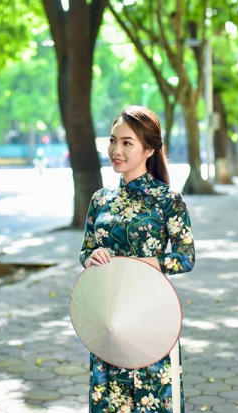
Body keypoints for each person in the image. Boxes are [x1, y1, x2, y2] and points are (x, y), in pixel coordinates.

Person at [79, 105, 195, 413]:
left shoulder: (168, 200)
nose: (116, 150)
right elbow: (85, 250)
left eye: (127, 143)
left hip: (151, 316)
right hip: (107, 320)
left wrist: (148, 263)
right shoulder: (100, 199)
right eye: (112, 140)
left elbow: (185, 257)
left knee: (152, 402)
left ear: (149, 149)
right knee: (108, 402)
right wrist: (92, 257)